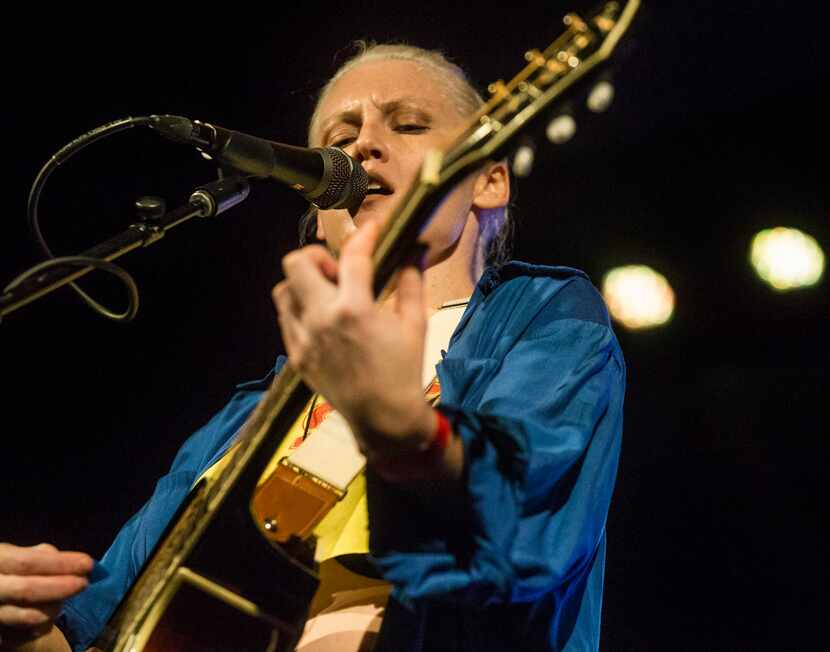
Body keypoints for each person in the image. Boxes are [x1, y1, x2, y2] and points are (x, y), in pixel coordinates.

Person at [0, 43, 625, 652]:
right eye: (338, 136)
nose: (362, 144)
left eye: (407, 124)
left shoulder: (542, 316)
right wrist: (22, 626)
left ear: (489, 180)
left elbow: (529, 529)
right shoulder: (247, 416)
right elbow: (103, 630)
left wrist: (404, 433)